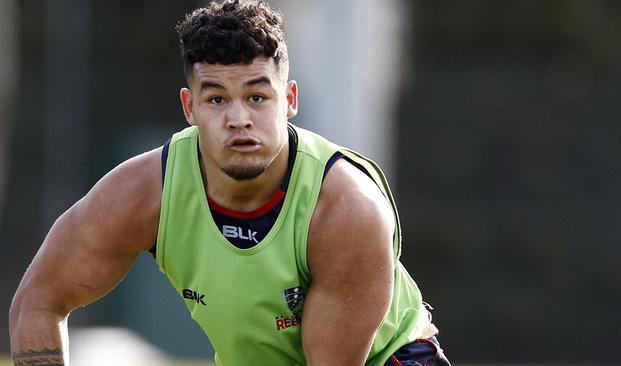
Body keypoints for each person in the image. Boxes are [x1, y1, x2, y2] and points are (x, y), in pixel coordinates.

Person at [9, 1, 451, 365]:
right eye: (217, 98)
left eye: (257, 97)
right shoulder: (142, 193)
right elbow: (38, 303)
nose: (239, 119)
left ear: (290, 100)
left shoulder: (345, 208)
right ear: (189, 107)